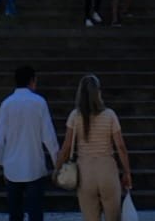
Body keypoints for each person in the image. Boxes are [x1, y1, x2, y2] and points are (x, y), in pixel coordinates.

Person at [53, 73, 132, 221]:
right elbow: (121, 147)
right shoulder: (110, 115)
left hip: (85, 175)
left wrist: (57, 169)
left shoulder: (74, 116)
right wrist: (127, 172)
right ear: (98, 92)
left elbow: (66, 147)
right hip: (108, 172)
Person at [0, 63, 58, 221]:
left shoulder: (6, 104)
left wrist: (2, 161)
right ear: (32, 80)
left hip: (12, 167)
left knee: (15, 214)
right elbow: (49, 137)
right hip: (34, 165)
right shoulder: (39, 102)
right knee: (36, 213)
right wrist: (57, 162)